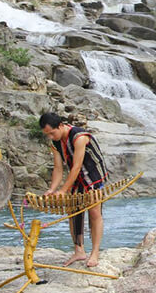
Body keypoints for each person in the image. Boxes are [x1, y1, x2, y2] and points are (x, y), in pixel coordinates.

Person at [39, 112, 108, 268]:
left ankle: (95, 252)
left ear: (61, 126)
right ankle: (79, 250)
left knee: (94, 212)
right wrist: (52, 189)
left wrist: (63, 191)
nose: (50, 136)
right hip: (76, 177)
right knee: (73, 210)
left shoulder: (79, 137)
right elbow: (58, 168)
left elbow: (77, 166)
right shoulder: (56, 143)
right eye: (47, 134)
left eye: (52, 133)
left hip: (93, 174)